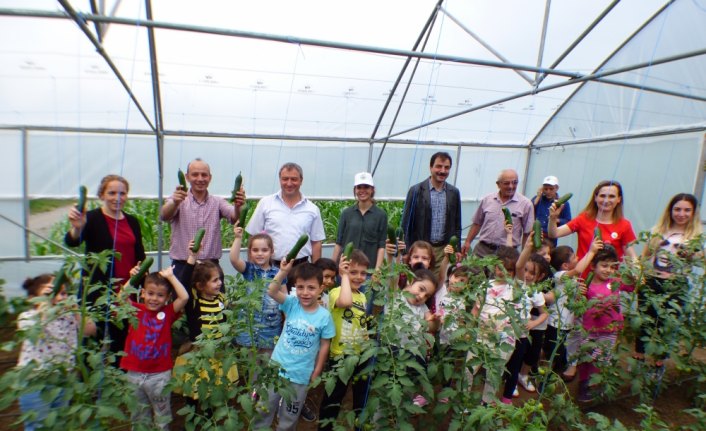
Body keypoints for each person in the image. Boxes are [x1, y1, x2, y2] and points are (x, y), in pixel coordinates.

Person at [65, 174, 145, 354]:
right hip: (97, 291)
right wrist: (77, 227)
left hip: (125, 292)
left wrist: (141, 280)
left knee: (121, 342)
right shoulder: (91, 218)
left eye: (122, 193)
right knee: (92, 341)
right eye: (112, 193)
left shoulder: (132, 221)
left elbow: (139, 255)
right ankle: (89, 380)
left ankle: (120, 379)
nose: (118, 198)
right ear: (101, 195)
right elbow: (72, 242)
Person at [253, 262, 335, 431]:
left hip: (300, 374)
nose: (305, 293)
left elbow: (325, 345)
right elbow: (271, 290)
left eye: (311, 288)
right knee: (263, 408)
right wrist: (283, 271)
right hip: (276, 369)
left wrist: (317, 370)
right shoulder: (292, 303)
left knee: (289, 416)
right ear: (295, 288)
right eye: (300, 287)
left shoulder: (324, 317)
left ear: (321, 289)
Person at [16, 274, 96, 431]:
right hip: (36, 382)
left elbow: (90, 331)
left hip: (64, 380)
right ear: (33, 299)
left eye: (64, 293)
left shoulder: (69, 317)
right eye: (50, 294)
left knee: (60, 424)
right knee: (38, 426)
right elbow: (29, 332)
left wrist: (76, 311)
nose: (60, 298)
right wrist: (45, 306)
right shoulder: (28, 317)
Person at [634, 193, 703, 366]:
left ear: (694, 213)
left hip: (676, 286)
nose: (682, 213)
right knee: (644, 320)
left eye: (687, 210)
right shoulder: (658, 231)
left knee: (668, 325)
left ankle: (659, 363)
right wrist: (639, 277)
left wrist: (692, 255)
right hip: (651, 282)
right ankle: (639, 357)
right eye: (677, 209)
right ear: (670, 210)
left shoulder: (695, 237)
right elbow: (645, 256)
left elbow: (701, 259)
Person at [119, 266, 189, 431]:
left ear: (167, 298)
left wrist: (171, 277)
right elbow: (121, 297)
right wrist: (133, 278)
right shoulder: (135, 310)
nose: (154, 299)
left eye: (160, 295)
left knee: (162, 416)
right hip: (134, 374)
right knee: (138, 416)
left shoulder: (168, 312)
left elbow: (184, 297)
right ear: (142, 293)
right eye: (150, 293)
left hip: (159, 376)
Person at [160, 158, 245, 276]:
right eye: (195, 174)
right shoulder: (178, 200)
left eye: (204, 175)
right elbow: (164, 215)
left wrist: (238, 205)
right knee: (182, 295)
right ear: (187, 177)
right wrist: (175, 202)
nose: (200, 179)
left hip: (211, 267)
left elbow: (235, 218)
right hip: (182, 265)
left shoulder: (218, 202)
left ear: (210, 178)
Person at [318, 250, 371, 431]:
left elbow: (361, 321)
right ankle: (325, 427)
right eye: (353, 272)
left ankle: (358, 425)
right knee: (333, 397)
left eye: (363, 273)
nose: (359, 277)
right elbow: (346, 302)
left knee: (360, 397)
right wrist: (344, 276)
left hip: (360, 355)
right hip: (340, 356)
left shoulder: (363, 296)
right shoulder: (336, 292)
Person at [577, 246, 634, 402]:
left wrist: (631, 270)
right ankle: (584, 383)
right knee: (586, 357)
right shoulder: (586, 284)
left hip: (609, 330)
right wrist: (578, 293)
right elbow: (578, 304)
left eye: (612, 266)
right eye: (604, 265)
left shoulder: (616, 281)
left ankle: (596, 384)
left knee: (602, 358)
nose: (608, 270)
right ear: (593, 266)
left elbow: (632, 286)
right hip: (589, 329)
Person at [246, 162, 326, 269]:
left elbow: (316, 243)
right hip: (270, 266)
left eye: (294, 179)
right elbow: (253, 236)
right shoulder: (266, 203)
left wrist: (316, 271)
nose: (289, 183)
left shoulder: (312, 209)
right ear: (280, 180)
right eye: (285, 179)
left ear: (301, 180)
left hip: (301, 267)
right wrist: (252, 268)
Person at [468, 246, 520, 405]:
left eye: (509, 270)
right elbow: (475, 309)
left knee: (494, 373)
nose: (504, 272)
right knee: (468, 369)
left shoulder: (515, 288)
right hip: (481, 334)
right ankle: (465, 400)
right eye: (500, 268)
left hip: (503, 339)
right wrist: (470, 329)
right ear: (494, 266)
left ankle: (486, 402)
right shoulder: (485, 286)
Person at [383, 268, 440, 408]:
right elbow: (392, 276)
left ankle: (402, 413)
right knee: (387, 392)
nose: (421, 296)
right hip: (391, 352)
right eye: (421, 289)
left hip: (412, 356)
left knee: (407, 391)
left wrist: (435, 320)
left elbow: (431, 327)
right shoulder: (395, 295)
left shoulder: (423, 308)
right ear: (411, 280)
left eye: (427, 295)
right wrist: (394, 256)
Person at [544, 240, 599, 381]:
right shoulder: (559, 276)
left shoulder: (573, 280)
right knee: (553, 352)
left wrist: (579, 293)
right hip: (555, 323)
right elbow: (578, 270)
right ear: (565, 265)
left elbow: (575, 298)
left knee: (561, 351)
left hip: (567, 323)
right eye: (574, 257)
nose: (578, 259)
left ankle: (554, 373)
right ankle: (547, 376)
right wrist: (591, 251)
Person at [401, 152, 462, 276]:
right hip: (421, 249)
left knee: (439, 284)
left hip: (443, 249)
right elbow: (406, 223)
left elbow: (457, 223)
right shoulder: (416, 190)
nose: (442, 171)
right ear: (431, 167)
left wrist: (457, 249)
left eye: (446, 167)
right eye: (439, 166)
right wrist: (406, 251)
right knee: (419, 283)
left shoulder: (453, 192)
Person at [548, 179, 637, 262]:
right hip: (583, 277)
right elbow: (554, 234)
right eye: (602, 196)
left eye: (611, 196)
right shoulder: (583, 219)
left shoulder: (625, 225)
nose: (606, 200)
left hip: (610, 278)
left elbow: (632, 257)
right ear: (595, 198)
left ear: (619, 199)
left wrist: (638, 275)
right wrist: (553, 218)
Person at [229, 227, 286, 354]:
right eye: (255, 250)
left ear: (272, 252)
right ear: (250, 252)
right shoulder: (249, 269)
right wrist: (238, 238)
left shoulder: (279, 273)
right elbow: (233, 259)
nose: (260, 253)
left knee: (267, 362)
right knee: (251, 364)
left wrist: (286, 323)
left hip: (271, 327)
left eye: (264, 250)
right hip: (249, 326)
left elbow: (285, 299)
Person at [462, 169, 534, 258]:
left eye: (515, 183)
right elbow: (477, 223)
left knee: (501, 272)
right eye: (506, 183)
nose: (511, 186)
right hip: (482, 249)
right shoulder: (488, 199)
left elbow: (527, 233)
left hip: (506, 254)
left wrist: (524, 256)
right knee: (473, 271)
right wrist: (468, 242)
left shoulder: (526, 204)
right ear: (498, 184)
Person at [332, 172, 388, 269]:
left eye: (366, 187)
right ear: (355, 190)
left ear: (372, 190)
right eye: (359, 187)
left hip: (368, 271)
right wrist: (332, 267)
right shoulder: (346, 213)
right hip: (346, 268)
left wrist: (377, 270)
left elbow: (381, 246)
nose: (362, 190)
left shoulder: (381, 215)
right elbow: (339, 242)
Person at [531, 176, 571, 247]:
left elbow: (568, 221)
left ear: (557, 188)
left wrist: (555, 220)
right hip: (536, 235)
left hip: (551, 238)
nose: (548, 191)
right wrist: (538, 197)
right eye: (545, 189)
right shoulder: (537, 199)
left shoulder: (563, 203)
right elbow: (529, 211)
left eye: (551, 189)